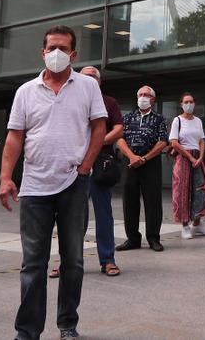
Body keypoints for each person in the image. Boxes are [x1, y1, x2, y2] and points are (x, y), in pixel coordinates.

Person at [0, 26, 107, 340]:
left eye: (63, 48)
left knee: (73, 259)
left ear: (73, 54)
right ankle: (28, 330)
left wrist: (85, 166)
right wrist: (6, 177)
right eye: (51, 48)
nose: (56, 53)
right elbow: (14, 136)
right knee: (33, 263)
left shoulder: (87, 86)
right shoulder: (26, 91)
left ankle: (67, 325)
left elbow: (99, 127)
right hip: (34, 186)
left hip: (74, 183)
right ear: (42, 52)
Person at [78, 65, 123, 277]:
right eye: (84, 77)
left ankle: (107, 260)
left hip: (100, 164)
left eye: (92, 77)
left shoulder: (108, 102)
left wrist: (97, 143)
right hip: (74, 164)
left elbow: (118, 129)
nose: (88, 80)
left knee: (103, 213)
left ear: (99, 81)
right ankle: (69, 261)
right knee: (73, 216)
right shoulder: (71, 99)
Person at [115, 86, 168, 252]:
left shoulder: (160, 119)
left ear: (152, 99)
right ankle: (132, 238)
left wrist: (145, 158)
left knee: (153, 202)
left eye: (146, 95)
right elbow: (120, 139)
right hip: (130, 163)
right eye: (140, 94)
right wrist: (132, 156)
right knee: (129, 202)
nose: (143, 97)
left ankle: (153, 238)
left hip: (150, 163)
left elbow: (162, 142)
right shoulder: (128, 117)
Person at [170, 92, 205, 240]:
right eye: (186, 102)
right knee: (182, 191)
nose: (189, 104)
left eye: (191, 101)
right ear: (181, 104)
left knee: (201, 190)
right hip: (183, 156)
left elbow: (201, 140)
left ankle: (197, 223)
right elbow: (174, 142)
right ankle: (185, 226)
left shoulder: (198, 121)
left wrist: (199, 157)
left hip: (197, 157)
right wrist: (190, 157)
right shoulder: (177, 120)